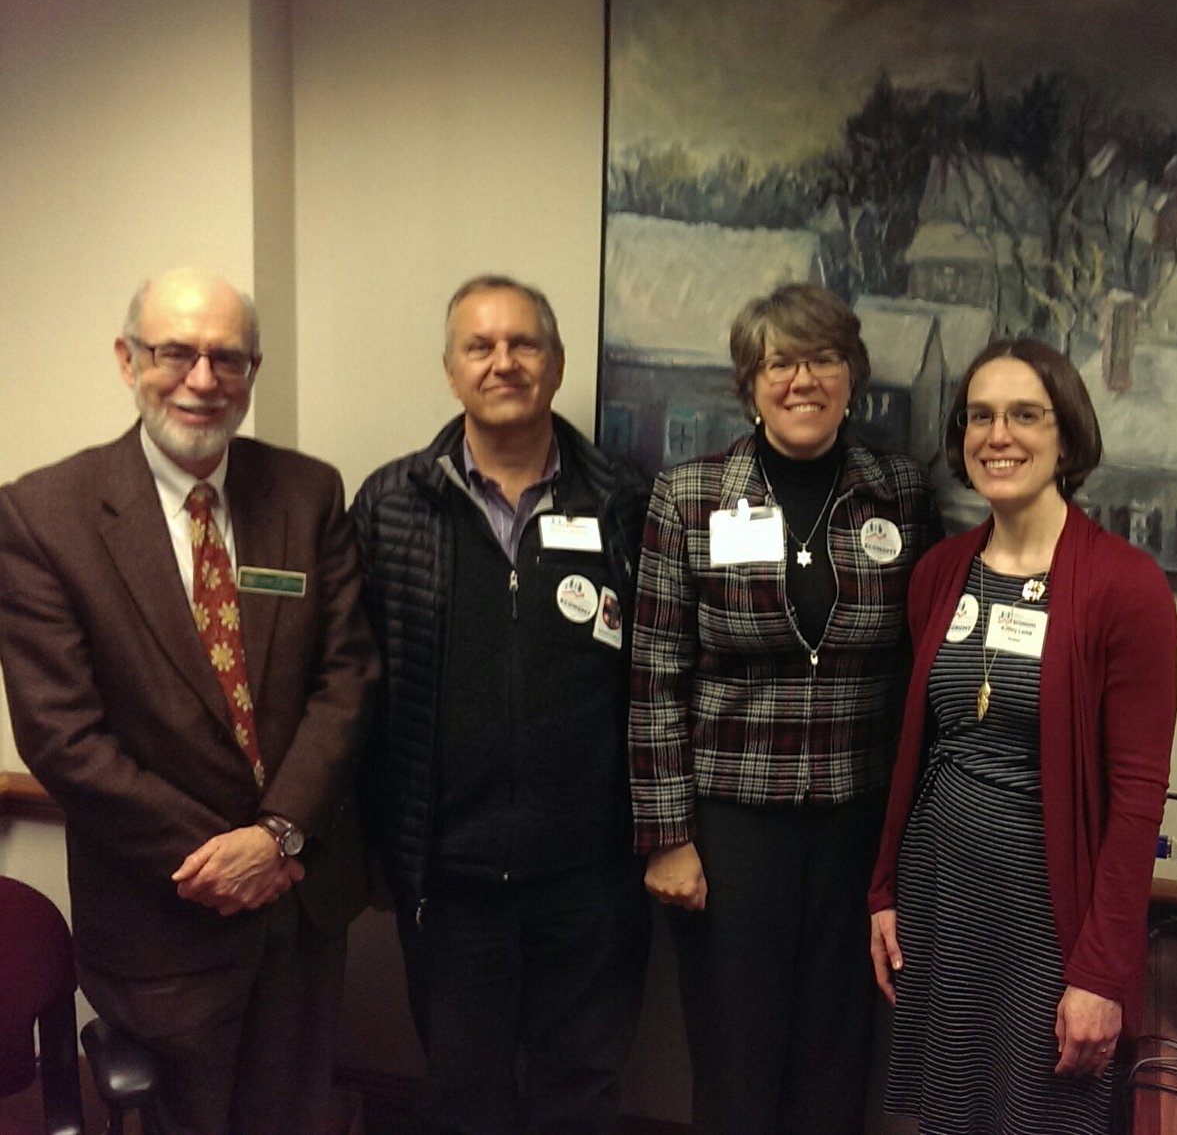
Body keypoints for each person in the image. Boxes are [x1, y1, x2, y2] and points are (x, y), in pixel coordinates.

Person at [0, 268, 380, 1135]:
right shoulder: (42, 515)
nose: (203, 379)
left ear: (253, 370)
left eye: (227, 357)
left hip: (301, 909)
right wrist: (225, 860)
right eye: (176, 352)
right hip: (163, 921)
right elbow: (62, 737)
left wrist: (277, 837)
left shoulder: (308, 492)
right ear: (127, 359)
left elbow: (347, 675)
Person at [629, 282, 941, 1135]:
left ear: (852, 376)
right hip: (731, 834)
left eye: (824, 359)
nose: (803, 380)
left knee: (838, 1063)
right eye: (780, 363)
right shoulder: (690, 495)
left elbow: (919, 665)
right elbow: (654, 673)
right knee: (736, 1063)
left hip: (856, 826)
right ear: (751, 382)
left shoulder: (900, 493)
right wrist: (666, 836)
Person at [353, 274, 651, 1135]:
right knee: (463, 1098)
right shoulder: (392, 503)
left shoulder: (627, 501)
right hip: (450, 881)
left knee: (581, 1094)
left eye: (524, 344)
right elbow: (354, 684)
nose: (503, 362)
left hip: (594, 877)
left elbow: (665, 673)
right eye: (479, 346)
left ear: (556, 364)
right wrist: (371, 845)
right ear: (451, 370)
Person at [869, 338, 1177, 1134]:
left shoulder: (1126, 586)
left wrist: (1101, 973)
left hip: (1049, 917)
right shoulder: (940, 572)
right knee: (947, 1114)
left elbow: (1137, 799)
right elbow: (919, 752)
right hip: (943, 896)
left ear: (1066, 437)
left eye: (1024, 415)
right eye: (980, 416)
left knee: (1040, 1114)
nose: (997, 435)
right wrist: (885, 890)